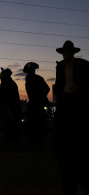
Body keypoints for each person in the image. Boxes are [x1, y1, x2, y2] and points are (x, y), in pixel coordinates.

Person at [52, 40, 89, 195]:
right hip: (65, 100)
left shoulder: (83, 65)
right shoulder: (60, 66)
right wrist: (60, 97)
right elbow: (59, 84)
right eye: (64, 53)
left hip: (78, 99)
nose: (66, 55)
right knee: (62, 127)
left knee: (78, 126)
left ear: (73, 53)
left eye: (69, 52)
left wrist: (79, 88)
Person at [23, 62, 50, 149]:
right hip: (39, 103)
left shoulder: (29, 78)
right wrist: (42, 96)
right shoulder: (39, 78)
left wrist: (38, 97)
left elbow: (31, 92)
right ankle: (39, 141)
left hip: (34, 104)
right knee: (40, 123)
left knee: (32, 123)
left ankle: (34, 142)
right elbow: (47, 89)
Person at [0, 67, 22, 148]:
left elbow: (5, 96)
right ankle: (13, 141)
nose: (0, 75)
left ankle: (9, 142)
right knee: (12, 125)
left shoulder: (6, 82)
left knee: (9, 125)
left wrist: (7, 108)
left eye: (1, 74)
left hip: (10, 107)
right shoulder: (9, 82)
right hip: (13, 106)